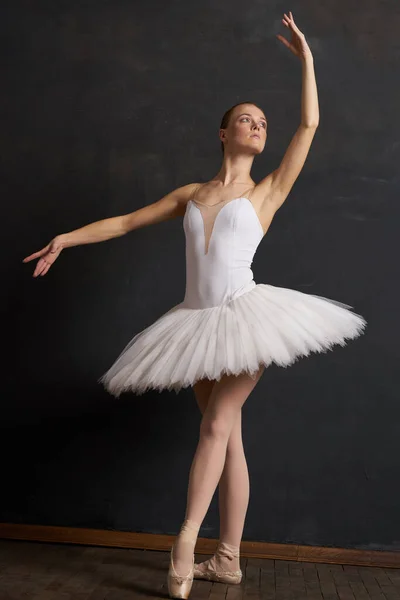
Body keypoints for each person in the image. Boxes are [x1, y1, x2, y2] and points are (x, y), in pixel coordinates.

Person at [23, 12, 367, 599]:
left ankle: (184, 541)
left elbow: (308, 125)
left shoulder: (267, 192)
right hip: (193, 325)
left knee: (214, 425)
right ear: (223, 132)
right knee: (228, 437)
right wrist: (65, 239)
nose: (257, 126)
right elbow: (128, 221)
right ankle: (228, 559)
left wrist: (308, 61)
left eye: (262, 122)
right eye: (245, 120)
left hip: (244, 318)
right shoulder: (191, 194)